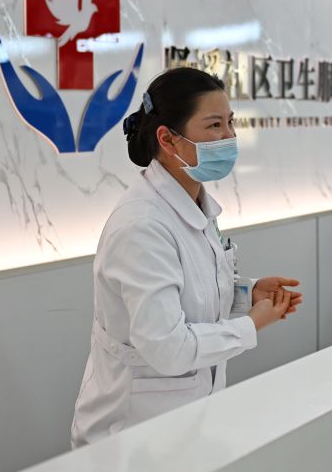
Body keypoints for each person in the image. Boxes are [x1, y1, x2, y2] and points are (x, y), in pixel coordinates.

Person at [71, 67, 303, 448]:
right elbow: (169, 347)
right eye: (214, 125)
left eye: (230, 122)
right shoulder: (141, 226)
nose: (229, 137)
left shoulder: (195, 204)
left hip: (187, 425)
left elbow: (191, 287)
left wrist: (247, 294)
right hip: (130, 437)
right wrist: (251, 324)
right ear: (168, 139)